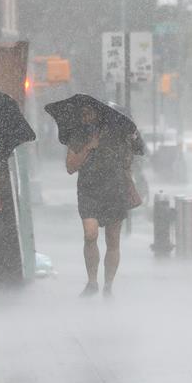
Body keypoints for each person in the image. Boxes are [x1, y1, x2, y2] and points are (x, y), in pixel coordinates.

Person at [65, 105, 140, 297]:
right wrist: (89, 147)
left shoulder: (119, 134)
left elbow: (134, 156)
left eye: (89, 113)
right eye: (84, 113)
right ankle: (92, 281)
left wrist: (131, 139)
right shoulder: (79, 135)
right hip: (88, 191)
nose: (86, 116)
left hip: (115, 190)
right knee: (90, 235)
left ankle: (108, 285)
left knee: (112, 240)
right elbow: (70, 167)